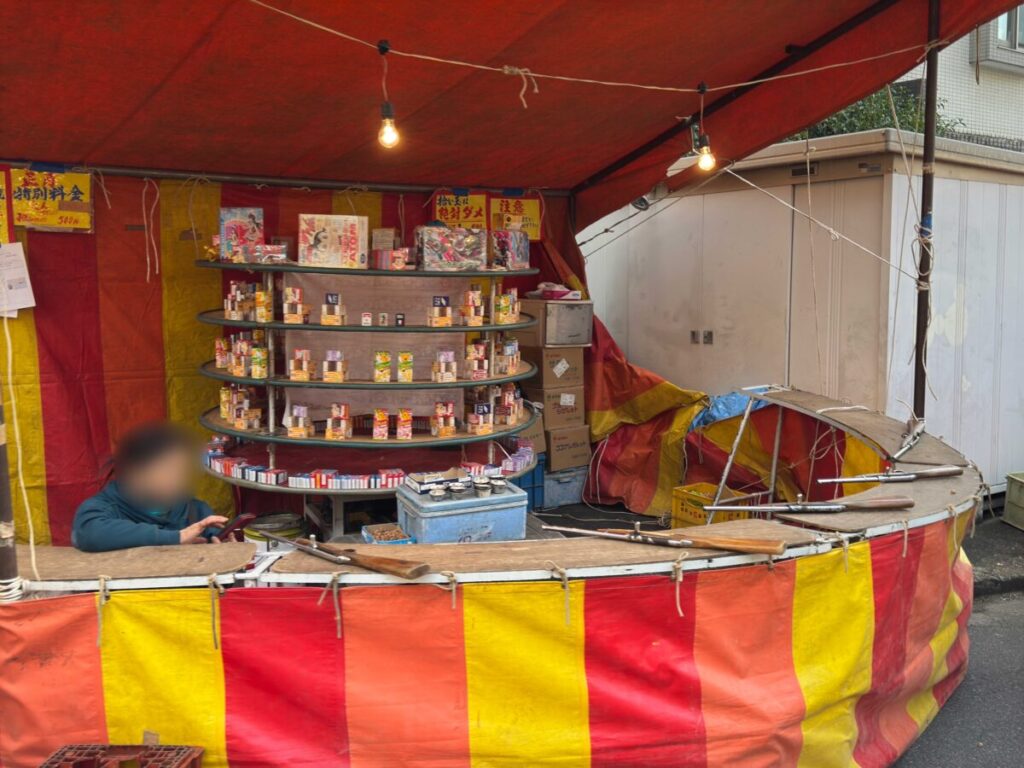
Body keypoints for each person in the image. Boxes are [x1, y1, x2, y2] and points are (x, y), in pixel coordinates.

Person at [72, 423, 227, 552]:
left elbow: (215, 537)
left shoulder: (196, 511)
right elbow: (90, 533)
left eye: (182, 471)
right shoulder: (102, 509)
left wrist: (222, 543)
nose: (177, 479)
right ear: (136, 473)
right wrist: (177, 537)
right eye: (167, 470)